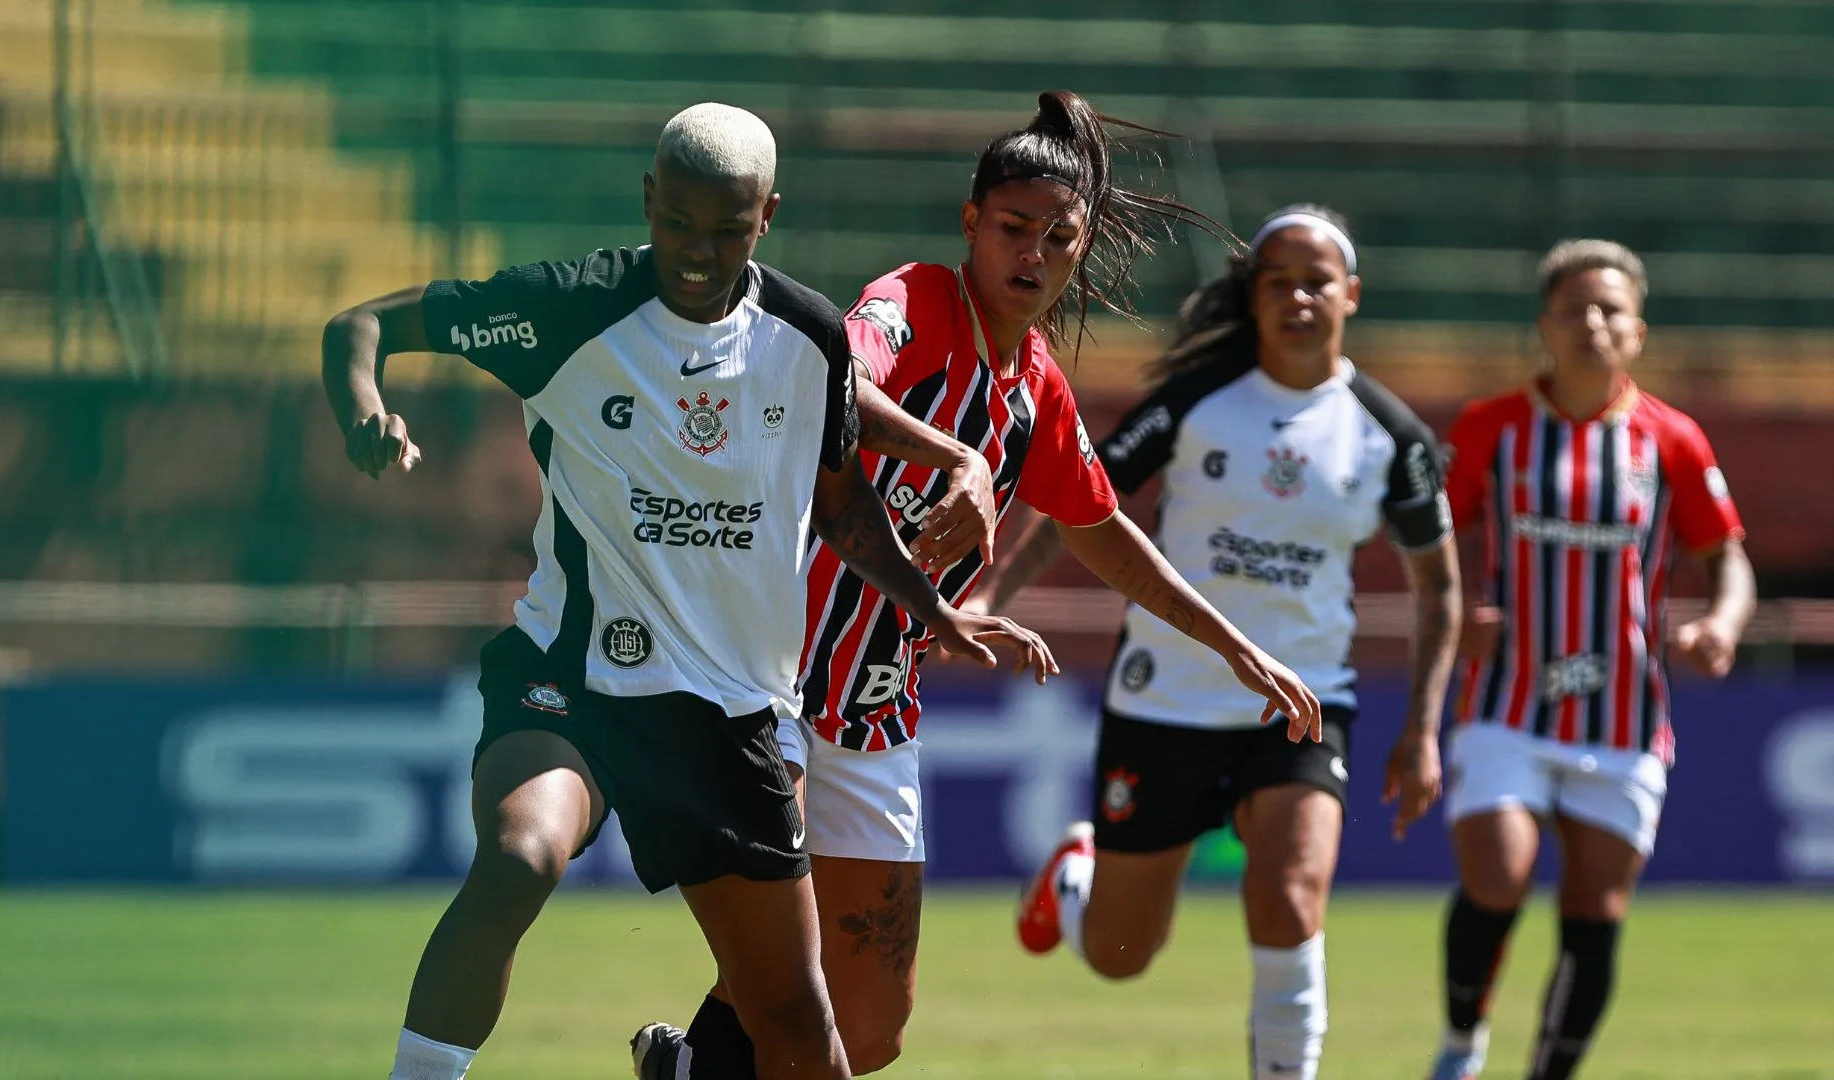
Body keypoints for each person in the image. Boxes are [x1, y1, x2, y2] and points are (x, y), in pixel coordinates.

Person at [320, 102, 1055, 1080]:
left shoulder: (811, 339)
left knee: (796, 1023)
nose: (697, 251)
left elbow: (843, 514)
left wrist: (931, 610)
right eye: (677, 223)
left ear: (768, 214)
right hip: (569, 685)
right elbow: (362, 324)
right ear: (648, 200)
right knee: (520, 856)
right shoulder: (568, 309)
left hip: (729, 717)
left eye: (727, 228)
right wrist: (366, 408)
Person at [632, 92, 1324, 1080]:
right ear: (971, 223)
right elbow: (835, 378)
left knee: (869, 1030)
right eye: (1012, 228)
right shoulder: (914, 303)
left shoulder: (1035, 384)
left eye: (1058, 237)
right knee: (780, 973)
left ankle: (686, 1068)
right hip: (765, 677)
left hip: (874, 707)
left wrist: (1236, 645)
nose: (1032, 254)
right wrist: (952, 455)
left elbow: (1104, 532)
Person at [981, 204, 1462, 1080]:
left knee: (1287, 898)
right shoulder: (1196, 402)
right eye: (1277, 280)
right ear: (1254, 296)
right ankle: (1079, 881)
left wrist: (1424, 729)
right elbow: (1075, 507)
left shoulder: (1391, 437)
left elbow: (1440, 588)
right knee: (1121, 954)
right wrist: (988, 595)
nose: (1298, 296)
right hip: (1165, 697)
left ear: (1351, 294)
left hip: (1303, 698)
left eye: (1317, 280)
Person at [1425, 240, 1755, 1080]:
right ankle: (1463, 1044)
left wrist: (1722, 620)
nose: (1592, 324)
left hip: (1624, 717)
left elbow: (1728, 558)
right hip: (1506, 704)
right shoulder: (1490, 427)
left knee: (1596, 909)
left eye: (1610, 309)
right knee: (1498, 876)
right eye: (1574, 308)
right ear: (1546, 325)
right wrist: (1456, 610)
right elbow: (1427, 536)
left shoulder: (1672, 440)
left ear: (1637, 331)